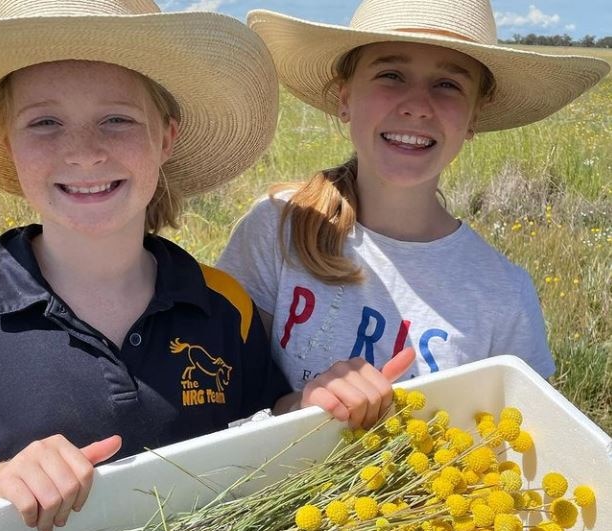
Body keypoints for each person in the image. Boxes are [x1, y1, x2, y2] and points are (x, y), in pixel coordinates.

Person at [0, 1, 295, 529]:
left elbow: (271, 449)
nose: (84, 153)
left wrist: (320, 405)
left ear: (165, 138)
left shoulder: (226, 305)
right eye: (44, 122)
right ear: (8, 144)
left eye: (117, 119)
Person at [219, 0, 609, 415]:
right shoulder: (280, 226)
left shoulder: (503, 295)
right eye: (391, 75)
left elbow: (525, 440)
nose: (418, 105)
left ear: (475, 114)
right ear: (344, 98)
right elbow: (219, 393)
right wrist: (301, 409)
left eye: (448, 85)